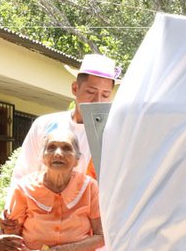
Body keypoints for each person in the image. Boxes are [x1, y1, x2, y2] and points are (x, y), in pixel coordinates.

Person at [8, 53, 120, 198]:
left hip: (88, 216)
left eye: (105, 95)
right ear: (75, 88)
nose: (97, 100)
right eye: (91, 92)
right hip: (42, 212)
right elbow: (23, 174)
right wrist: (12, 211)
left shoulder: (112, 134)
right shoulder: (44, 124)